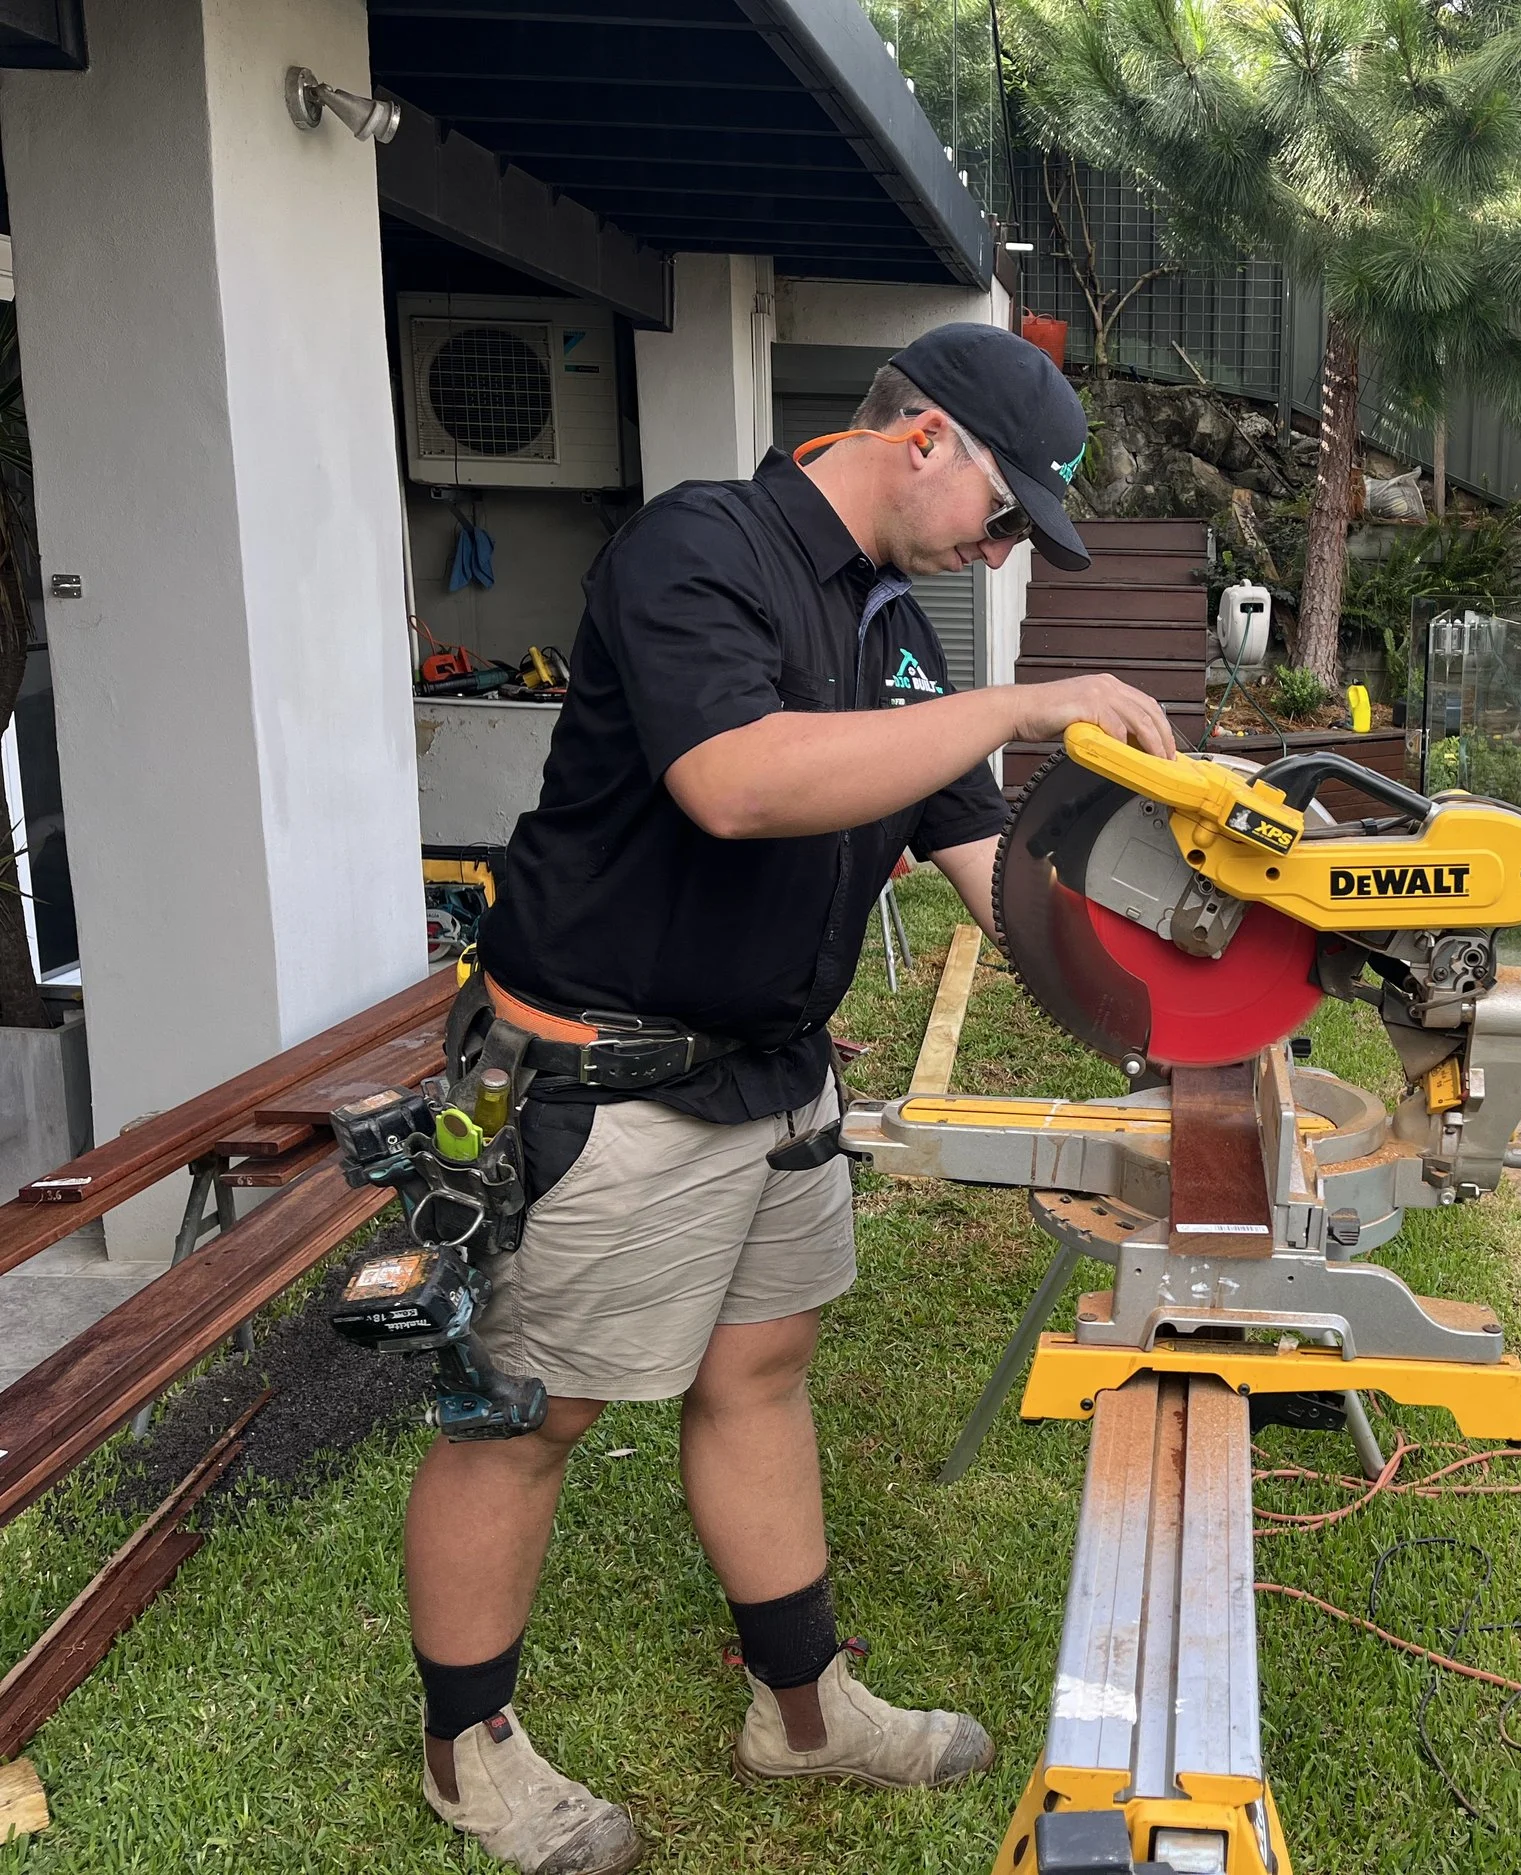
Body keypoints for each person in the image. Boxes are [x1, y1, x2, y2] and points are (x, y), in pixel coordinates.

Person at [403, 322, 1174, 1874]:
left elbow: (992, 872)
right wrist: (1026, 705)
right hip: (604, 1071)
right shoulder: (700, 546)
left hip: (772, 1072)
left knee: (761, 1368)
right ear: (921, 437)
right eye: (1004, 507)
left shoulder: (894, 623)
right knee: (531, 1412)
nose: (1003, 541)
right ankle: (467, 1753)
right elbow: (737, 781)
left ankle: (801, 1709)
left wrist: (1175, 1002)